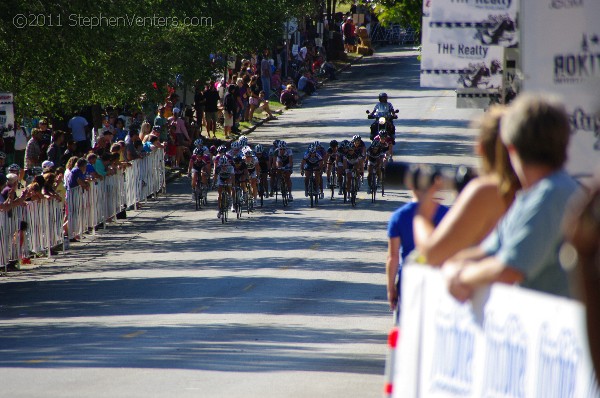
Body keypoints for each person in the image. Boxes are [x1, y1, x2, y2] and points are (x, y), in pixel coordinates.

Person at [442, 94, 580, 301]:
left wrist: (462, 275)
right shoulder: (531, 196)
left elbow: (509, 269)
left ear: (510, 147)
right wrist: (452, 266)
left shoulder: (552, 193)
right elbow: (487, 252)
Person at [413, 105, 520, 266]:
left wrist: (421, 214)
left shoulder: (486, 191)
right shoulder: (534, 186)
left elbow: (432, 254)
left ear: (480, 148)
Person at [386, 170, 450, 315]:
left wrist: (391, 288)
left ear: (410, 185)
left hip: (409, 278)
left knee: (406, 325)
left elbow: (393, 257)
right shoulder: (447, 214)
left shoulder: (398, 216)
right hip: (439, 278)